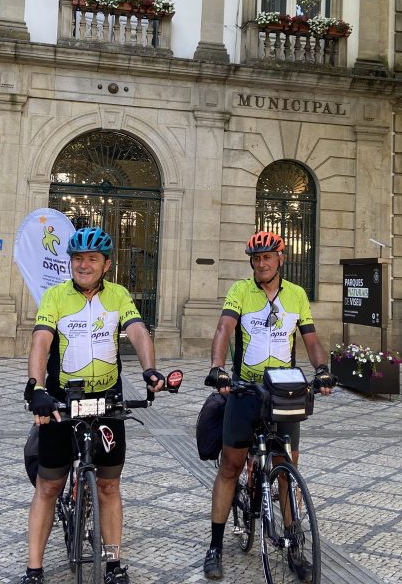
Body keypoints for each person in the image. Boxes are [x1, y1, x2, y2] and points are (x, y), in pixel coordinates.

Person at [21, 226, 166, 584]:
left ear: (106, 265)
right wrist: (36, 388)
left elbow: (137, 331)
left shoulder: (118, 296)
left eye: (92, 259)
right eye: (77, 258)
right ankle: (34, 569)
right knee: (49, 486)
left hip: (106, 402)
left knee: (108, 485)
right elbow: (41, 342)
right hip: (60, 402)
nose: (83, 265)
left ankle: (114, 563)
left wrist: (149, 370)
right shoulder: (55, 296)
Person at [202, 230, 336, 582]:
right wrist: (218, 369)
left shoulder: (296, 295)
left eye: (267, 257)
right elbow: (223, 330)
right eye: (256, 258)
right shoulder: (240, 291)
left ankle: (293, 543)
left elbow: (311, 338)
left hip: (284, 392)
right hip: (246, 391)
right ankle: (215, 546)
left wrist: (322, 370)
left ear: (280, 259)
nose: (261, 263)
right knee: (230, 467)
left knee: (286, 468)